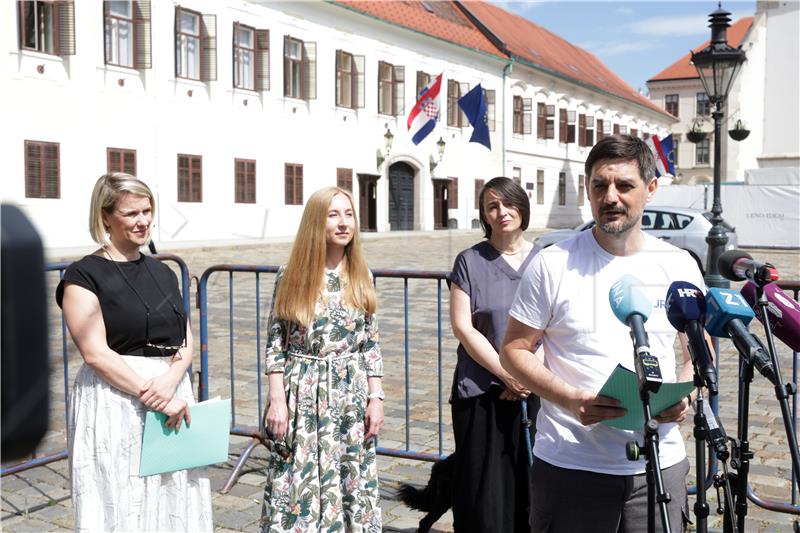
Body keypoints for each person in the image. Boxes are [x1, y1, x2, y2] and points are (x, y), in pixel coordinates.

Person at [500, 135, 707, 532]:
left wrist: (684, 396)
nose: (610, 196)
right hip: (571, 465)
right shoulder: (553, 263)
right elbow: (514, 350)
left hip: (659, 465)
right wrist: (567, 398)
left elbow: (699, 350)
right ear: (588, 190)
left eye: (624, 185)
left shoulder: (679, 264)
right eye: (600, 185)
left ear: (650, 189)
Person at [56, 173, 212, 531]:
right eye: (131, 214)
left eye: (147, 211)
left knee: (174, 498)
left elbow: (184, 338)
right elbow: (95, 354)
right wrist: (154, 394)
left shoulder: (163, 272)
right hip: (117, 400)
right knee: (123, 502)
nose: (143, 221)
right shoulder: (83, 276)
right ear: (105, 217)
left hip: (171, 393)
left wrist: (172, 380)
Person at [261, 187, 384, 532]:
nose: (344, 223)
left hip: (351, 394)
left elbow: (371, 343)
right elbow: (275, 341)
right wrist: (277, 399)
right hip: (303, 390)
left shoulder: (362, 274)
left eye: (349, 214)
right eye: (334, 215)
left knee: (350, 478)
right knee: (297, 478)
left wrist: (376, 397)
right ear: (317, 222)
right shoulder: (293, 274)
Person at [449, 177, 540, 532]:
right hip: (482, 388)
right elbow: (464, 327)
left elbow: (556, 328)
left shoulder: (545, 260)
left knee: (532, 487)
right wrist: (507, 373)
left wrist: (528, 375)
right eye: (492, 206)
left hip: (537, 387)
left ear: (522, 206)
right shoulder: (469, 261)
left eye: (508, 203)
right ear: (484, 215)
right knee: (484, 493)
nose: (502, 212)